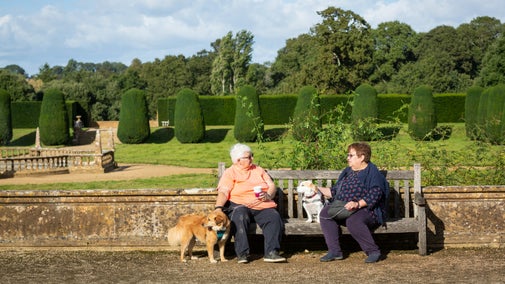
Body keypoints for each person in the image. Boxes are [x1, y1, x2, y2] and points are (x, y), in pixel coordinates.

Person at [214, 143, 286, 263]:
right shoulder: (230, 172)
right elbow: (224, 191)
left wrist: (268, 195)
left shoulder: (258, 170)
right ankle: (242, 254)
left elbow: (271, 185)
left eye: (252, 155)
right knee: (239, 215)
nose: (252, 158)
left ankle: (271, 252)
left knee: (273, 216)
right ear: (238, 160)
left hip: (262, 204)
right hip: (240, 204)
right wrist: (218, 207)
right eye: (249, 156)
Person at [317, 142, 388, 263]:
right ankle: (335, 251)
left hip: (366, 210)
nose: (347, 158)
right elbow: (334, 192)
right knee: (325, 214)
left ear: (362, 157)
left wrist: (358, 204)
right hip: (344, 208)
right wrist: (315, 188)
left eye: (351, 155)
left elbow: (376, 193)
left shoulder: (373, 173)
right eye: (348, 155)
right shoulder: (347, 172)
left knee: (353, 220)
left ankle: (373, 251)